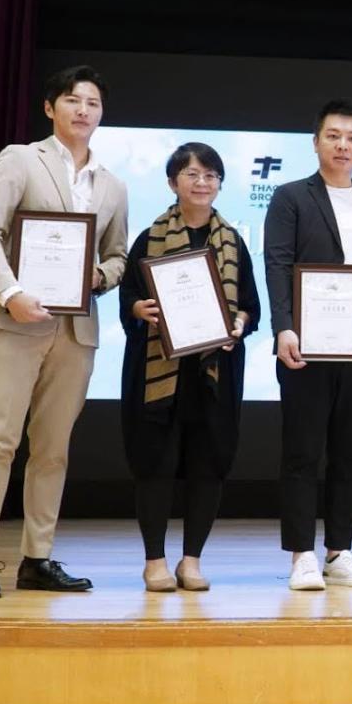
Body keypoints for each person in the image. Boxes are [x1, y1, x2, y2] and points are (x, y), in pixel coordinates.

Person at [0, 65, 128, 599]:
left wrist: (98, 277)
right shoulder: (19, 159)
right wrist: (10, 292)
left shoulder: (112, 184)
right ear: (50, 107)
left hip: (76, 332)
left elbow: (117, 256)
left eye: (93, 103)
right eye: (73, 100)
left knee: (53, 450)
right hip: (16, 322)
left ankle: (37, 558)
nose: (84, 110)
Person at [264, 98, 352, 591]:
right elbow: (277, 264)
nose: (343, 145)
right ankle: (301, 554)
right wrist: (283, 327)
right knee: (302, 453)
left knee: (350, 453)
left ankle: (339, 551)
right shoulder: (290, 197)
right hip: (305, 345)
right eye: (334, 136)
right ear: (316, 141)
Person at [119, 143, 260, 591]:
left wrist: (239, 323)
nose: (202, 183)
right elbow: (129, 299)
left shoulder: (233, 241)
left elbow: (251, 307)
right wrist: (138, 309)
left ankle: (192, 561)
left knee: (208, 465)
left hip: (214, 375)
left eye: (211, 176)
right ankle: (154, 561)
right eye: (192, 174)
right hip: (159, 374)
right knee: (155, 465)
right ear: (172, 182)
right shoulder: (150, 239)